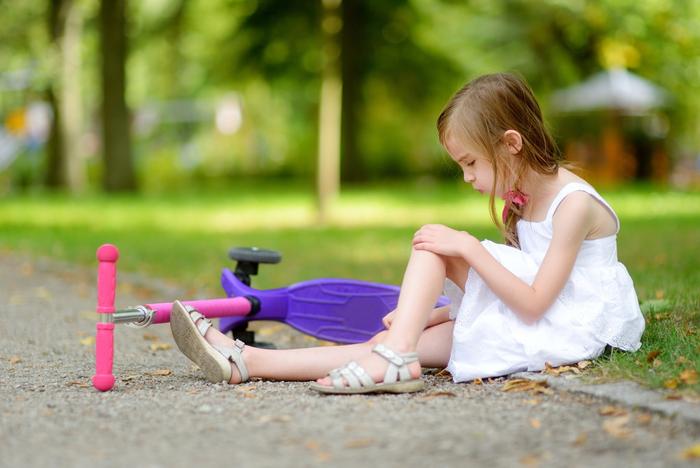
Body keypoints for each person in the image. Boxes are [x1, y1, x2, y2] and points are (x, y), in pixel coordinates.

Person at [169, 72, 645, 394]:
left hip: (564, 324)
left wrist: (467, 248)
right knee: (406, 311)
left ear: (512, 145)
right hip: (531, 317)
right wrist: (433, 316)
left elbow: (538, 300)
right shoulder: (522, 194)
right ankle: (245, 360)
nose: (468, 178)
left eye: (471, 163)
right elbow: (511, 285)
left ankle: (394, 360)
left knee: (441, 241)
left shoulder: (574, 204)